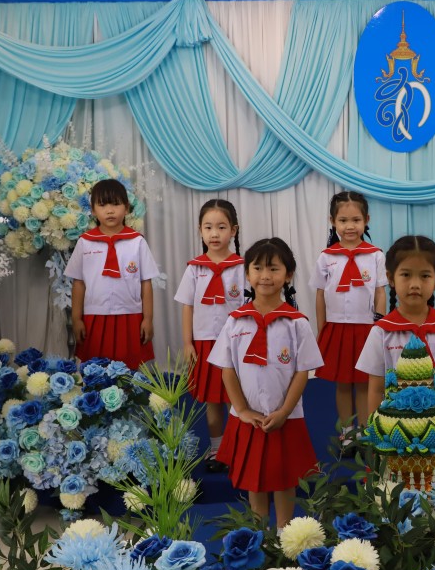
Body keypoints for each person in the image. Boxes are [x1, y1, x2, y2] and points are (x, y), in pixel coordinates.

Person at [209, 238, 321, 528]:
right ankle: (259, 534)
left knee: (284, 480)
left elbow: (302, 372)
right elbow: (227, 369)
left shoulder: (297, 323)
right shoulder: (235, 321)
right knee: (254, 479)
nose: (265, 276)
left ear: (288, 274)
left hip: (285, 418)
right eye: (257, 268)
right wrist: (243, 410)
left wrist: (284, 411)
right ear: (247, 274)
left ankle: (285, 533)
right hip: (248, 419)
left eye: (273, 268)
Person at [356, 235, 435, 466]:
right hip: (397, 438)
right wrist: (377, 437)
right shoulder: (382, 332)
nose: (415, 284)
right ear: (390, 278)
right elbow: (376, 389)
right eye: (406, 275)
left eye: (425, 276)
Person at [174, 199, 245, 472]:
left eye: (221, 227)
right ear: (200, 231)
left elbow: (248, 305)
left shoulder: (242, 267)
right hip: (204, 343)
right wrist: (187, 342)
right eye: (208, 227)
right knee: (212, 398)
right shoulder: (195, 268)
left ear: (234, 230)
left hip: (235, 343)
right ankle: (217, 448)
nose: (214, 234)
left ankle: (239, 447)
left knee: (235, 398)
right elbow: (187, 306)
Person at [309, 191, 387, 436]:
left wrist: (379, 326)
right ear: (332, 221)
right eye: (343, 220)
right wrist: (322, 328)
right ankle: (347, 433)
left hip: (366, 328)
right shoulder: (326, 257)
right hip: (337, 327)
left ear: (366, 220)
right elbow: (320, 294)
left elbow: (380, 292)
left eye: (356, 220)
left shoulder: (375, 255)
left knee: (364, 382)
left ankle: (365, 432)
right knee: (342, 384)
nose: (350, 226)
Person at [65, 178, 158, 369]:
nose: (109, 210)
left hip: (130, 316)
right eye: (102, 205)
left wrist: (148, 319)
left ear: (127, 208)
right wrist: (76, 319)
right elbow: (78, 283)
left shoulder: (137, 242)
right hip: (94, 316)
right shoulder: (85, 242)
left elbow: (145, 283)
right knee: (95, 370)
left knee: (129, 371)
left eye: (116, 204)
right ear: (93, 210)